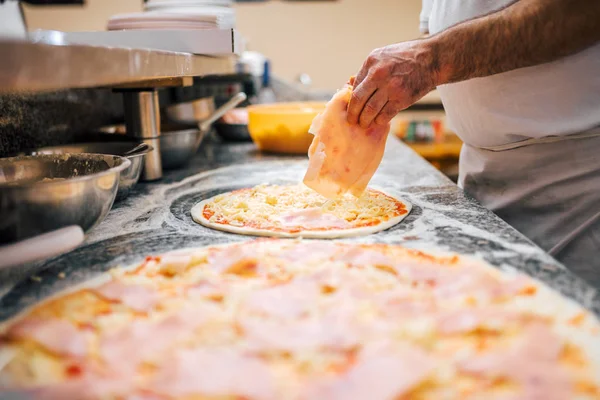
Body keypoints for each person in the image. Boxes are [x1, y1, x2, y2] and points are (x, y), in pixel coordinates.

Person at [347, 0, 600, 285]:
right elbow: (441, 32)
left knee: (573, 317)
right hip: (479, 178)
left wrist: (430, 60)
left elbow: (581, 8)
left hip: (579, 188)